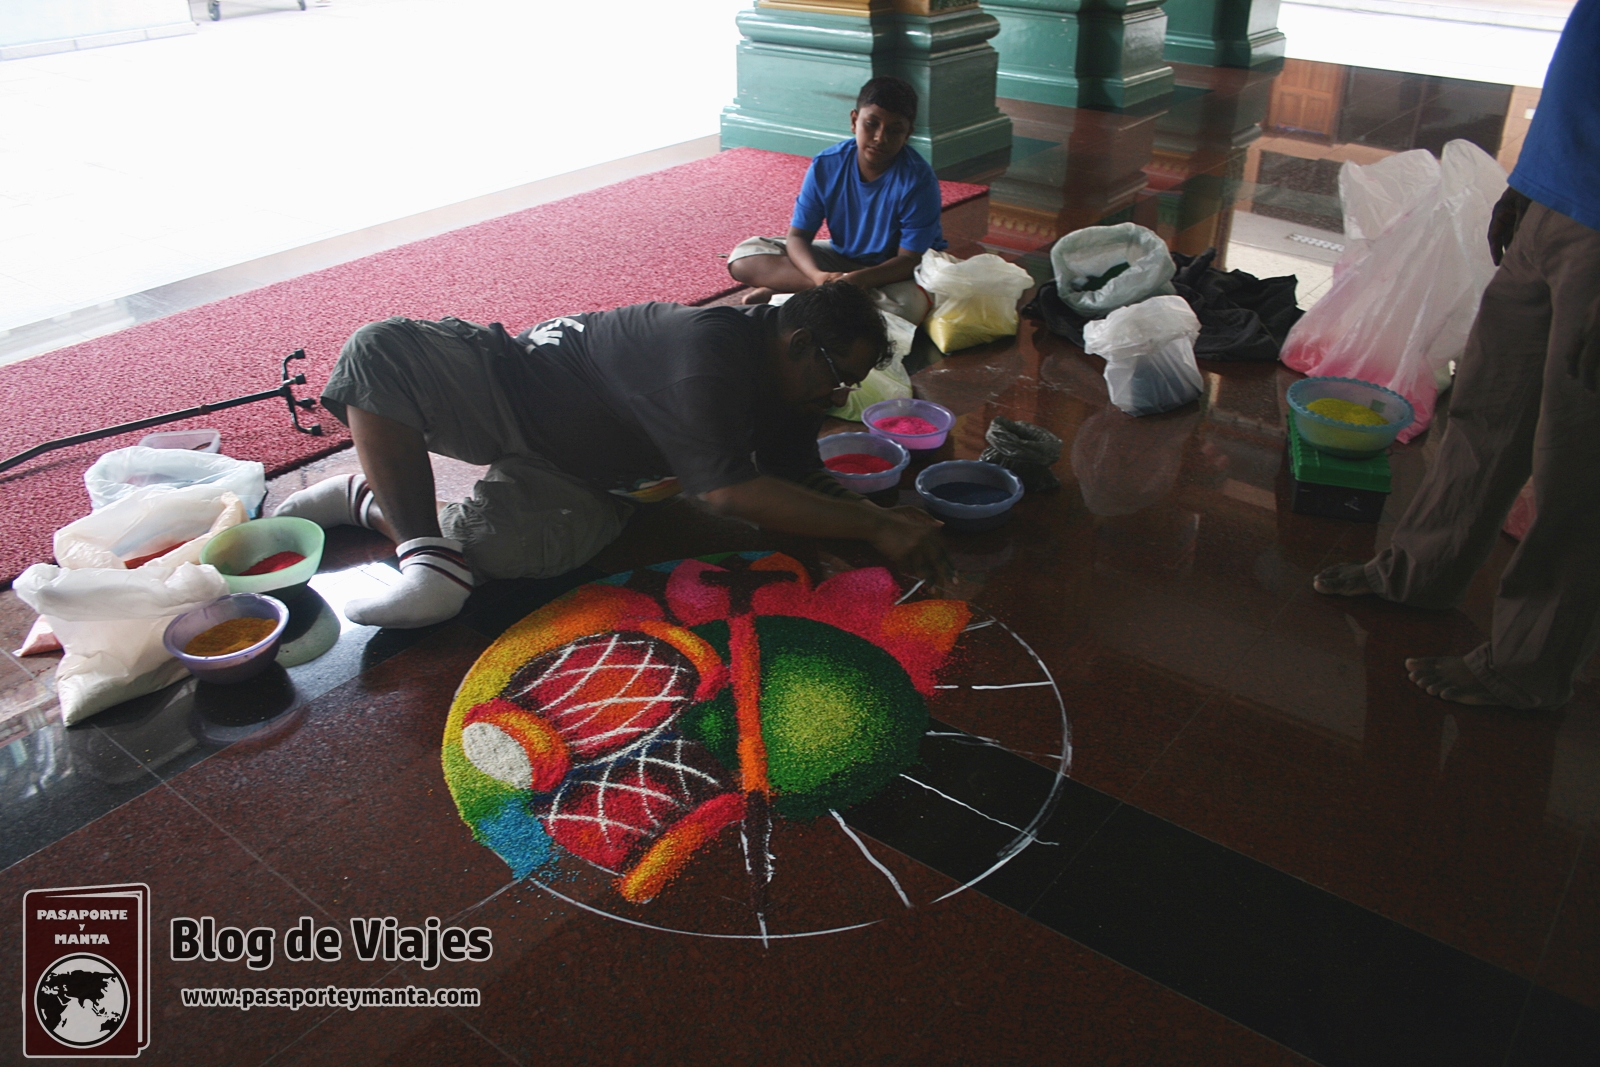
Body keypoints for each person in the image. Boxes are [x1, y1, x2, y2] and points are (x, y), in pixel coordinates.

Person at [276, 283, 951, 629]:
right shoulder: (709, 351)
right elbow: (727, 493)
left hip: (595, 477)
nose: (839, 395)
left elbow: (795, 476)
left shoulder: (794, 383)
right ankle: (425, 552)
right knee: (379, 350)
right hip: (513, 383)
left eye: (849, 384)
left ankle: (366, 499)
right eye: (838, 375)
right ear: (800, 343)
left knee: (503, 553)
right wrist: (875, 525)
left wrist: (881, 520)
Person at [1313, 0, 1600, 709]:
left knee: (1576, 462)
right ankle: (1419, 571)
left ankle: (1528, 666)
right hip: (1555, 197)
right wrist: (1531, 179)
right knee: (1484, 410)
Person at [726, 76, 943, 325]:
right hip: (841, 260)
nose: (880, 138)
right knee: (744, 257)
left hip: (895, 272)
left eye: (894, 130)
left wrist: (860, 279)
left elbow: (909, 260)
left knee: (907, 308)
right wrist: (817, 276)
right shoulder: (827, 165)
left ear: (908, 134)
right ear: (854, 121)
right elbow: (797, 236)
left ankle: (791, 294)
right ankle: (823, 292)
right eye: (871, 124)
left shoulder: (918, 180)